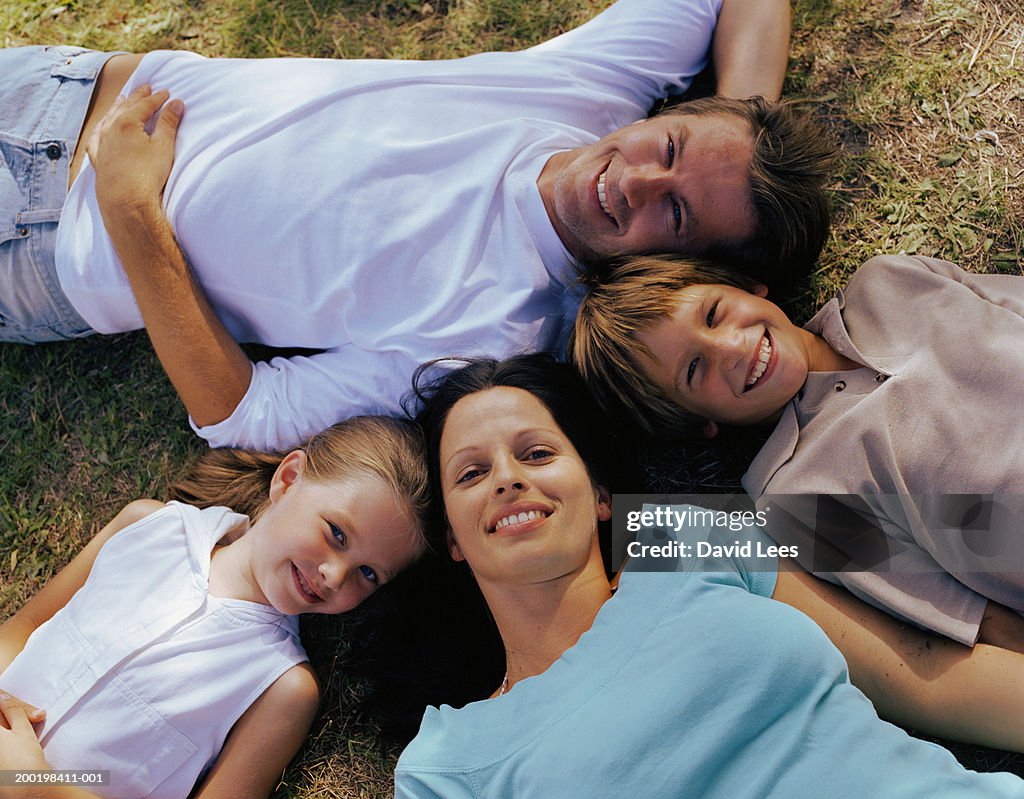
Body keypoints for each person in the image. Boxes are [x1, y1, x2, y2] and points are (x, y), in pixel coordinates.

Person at [0, 0, 835, 452]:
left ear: (689, 271)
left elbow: (241, 417)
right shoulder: (589, 92)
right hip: (64, 86)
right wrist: (742, 117)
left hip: (38, 249)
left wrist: (133, 215)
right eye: (672, 144)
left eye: (678, 213)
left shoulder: (492, 337)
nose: (637, 177)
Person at [394, 353, 1024, 798]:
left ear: (601, 494)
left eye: (537, 453)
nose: (508, 478)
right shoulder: (448, 766)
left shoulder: (679, 536)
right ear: (450, 536)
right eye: (471, 474)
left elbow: (915, 675)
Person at [571, 253, 1024, 650]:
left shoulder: (890, 280)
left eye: (713, 314)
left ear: (747, 287)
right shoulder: (793, 496)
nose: (730, 348)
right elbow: (978, 620)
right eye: (694, 370)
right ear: (699, 422)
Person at [0, 416, 428, 799]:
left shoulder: (282, 688)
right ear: (289, 478)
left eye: (368, 574)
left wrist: (39, 788)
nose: (335, 576)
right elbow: (27, 624)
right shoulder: (148, 525)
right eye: (336, 533)